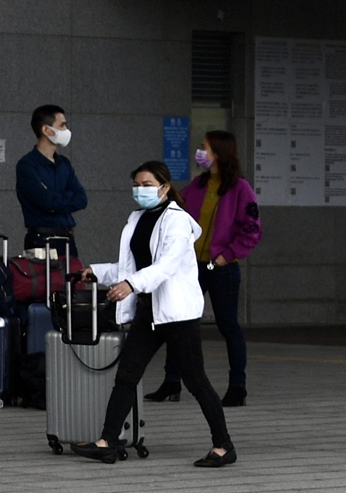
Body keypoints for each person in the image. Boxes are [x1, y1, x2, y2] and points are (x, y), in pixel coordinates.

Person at [71, 161, 236, 468]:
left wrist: (130, 285)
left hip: (176, 314)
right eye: (137, 184)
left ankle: (224, 445)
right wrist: (97, 272)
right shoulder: (138, 219)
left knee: (196, 381)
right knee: (126, 376)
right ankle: (107, 442)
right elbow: (130, 267)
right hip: (149, 311)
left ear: (164, 186)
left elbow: (165, 267)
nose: (141, 190)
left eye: (147, 184)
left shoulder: (177, 221)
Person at [148, 131, 262, 407]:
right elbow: (175, 208)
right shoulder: (197, 185)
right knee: (179, 322)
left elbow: (252, 229)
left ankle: (238, 386)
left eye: (204, 148)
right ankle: (171, 382)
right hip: (192, 267)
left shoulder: (240, 188)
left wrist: (228, 255)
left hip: (222, 268)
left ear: (219, 153)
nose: (200, 152)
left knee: (228, 326)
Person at [16, 104, 87, 254]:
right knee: (44, 278)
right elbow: (46, 202)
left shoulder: (64, 163)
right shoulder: (27, 165)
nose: (66, 130)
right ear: (46, 130)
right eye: (62, 125)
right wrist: (67, 196)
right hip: (41, 239)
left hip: (67, 238)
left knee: (70, 277)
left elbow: (82, 199)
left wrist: (57, 202)